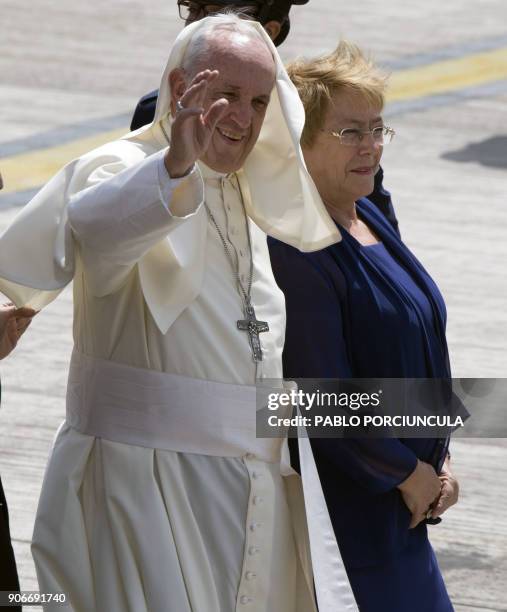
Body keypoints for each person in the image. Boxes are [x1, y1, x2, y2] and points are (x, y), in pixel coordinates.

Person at [0, 16, 359, 612]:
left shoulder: (243, 193)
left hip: (249, 490)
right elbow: (99, 231)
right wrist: (173, 167)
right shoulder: (118, 168)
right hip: (141, 485)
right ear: (177, 85)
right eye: (226, 94)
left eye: (258, 101)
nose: (242, 117)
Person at [269, 41, 459, 612]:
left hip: (406, 503)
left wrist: (441, 458)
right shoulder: (297, 250)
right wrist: (408, 471)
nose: (372, 147)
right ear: (300, 141)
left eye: (379, 129)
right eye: (350, 132)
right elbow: (315, 396)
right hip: (350, 513)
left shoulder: (368, 211)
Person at [130, 0, 400, 232]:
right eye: (192, 9)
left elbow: (375, 231)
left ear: (269, 30)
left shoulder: (313, 117)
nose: (195, 25)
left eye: (214, 13)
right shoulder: (160, 110)